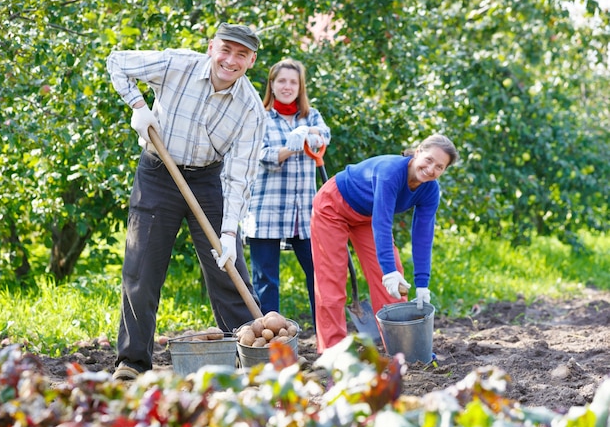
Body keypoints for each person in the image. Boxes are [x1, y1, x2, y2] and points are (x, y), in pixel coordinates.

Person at [106, 23, 267, 380]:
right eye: (226, 49)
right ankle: (132, 363)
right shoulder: (175, 64)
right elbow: (117, 62)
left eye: (241, 54)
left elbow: (240, 176)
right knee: (141, 270)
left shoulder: (250, 110)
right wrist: (137, 106)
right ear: (212, 47)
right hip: (157, 173)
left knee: (227, 269)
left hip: (208, 181)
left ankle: (252, 357)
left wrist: (228, 233)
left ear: (251, 61)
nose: (231, 60)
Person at [310, 134, 459, 352]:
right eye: (428, 160)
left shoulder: (430, 190)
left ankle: (401, 347)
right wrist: (387, 270)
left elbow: (423, 235)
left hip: (367, 216)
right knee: (331, 281)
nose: (430, 169)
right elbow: (383, 222)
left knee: (393, 283)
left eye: (439, 167)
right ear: (418, 152)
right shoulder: (391, 173)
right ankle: (333, 352)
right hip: (333, 206)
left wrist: (422, 282)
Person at [244, 59, 331, 328]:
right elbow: (260, 154)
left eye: (293, 82)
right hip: (267, 209)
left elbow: (325, 135)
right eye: (281, 81)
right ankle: (272, 341)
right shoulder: (259, 116)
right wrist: (291, 146)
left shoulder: (311, 116)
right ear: (271, 84)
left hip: (304, 211)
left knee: (319, 273)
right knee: (266, 280)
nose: (287, 86)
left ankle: (325, 338)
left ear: (300, 86)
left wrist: (307, 131)